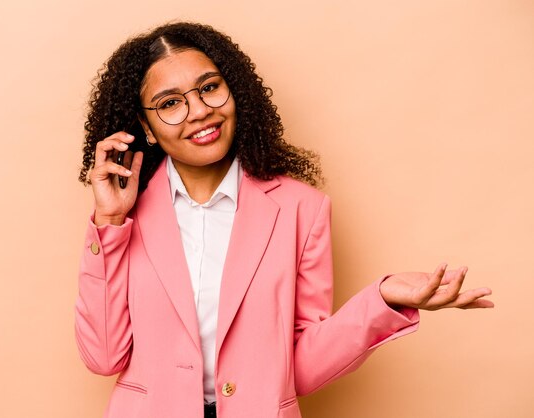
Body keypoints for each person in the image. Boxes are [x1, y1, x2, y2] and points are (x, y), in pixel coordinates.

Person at [74, 22, 493, 418]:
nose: (199, 111)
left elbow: (301, 370)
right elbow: (104, 356)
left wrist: (382, 301)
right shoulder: (124, 216)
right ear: (146, 126)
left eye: (209, 88)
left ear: (233, 90)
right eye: (170, 103)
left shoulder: (301, 209)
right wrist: (109, 221)